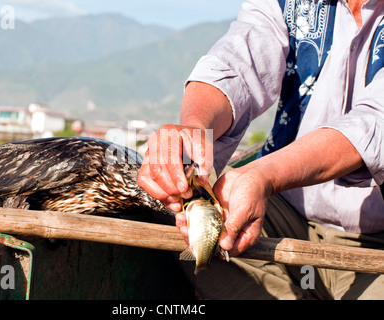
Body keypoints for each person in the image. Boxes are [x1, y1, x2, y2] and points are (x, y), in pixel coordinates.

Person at [137, 0, 384, 299]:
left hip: (377, 241)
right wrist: (194, 127)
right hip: (284, 213)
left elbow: (374, 123)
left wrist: (263, 175)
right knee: (159, 205)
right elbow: (238, 63)